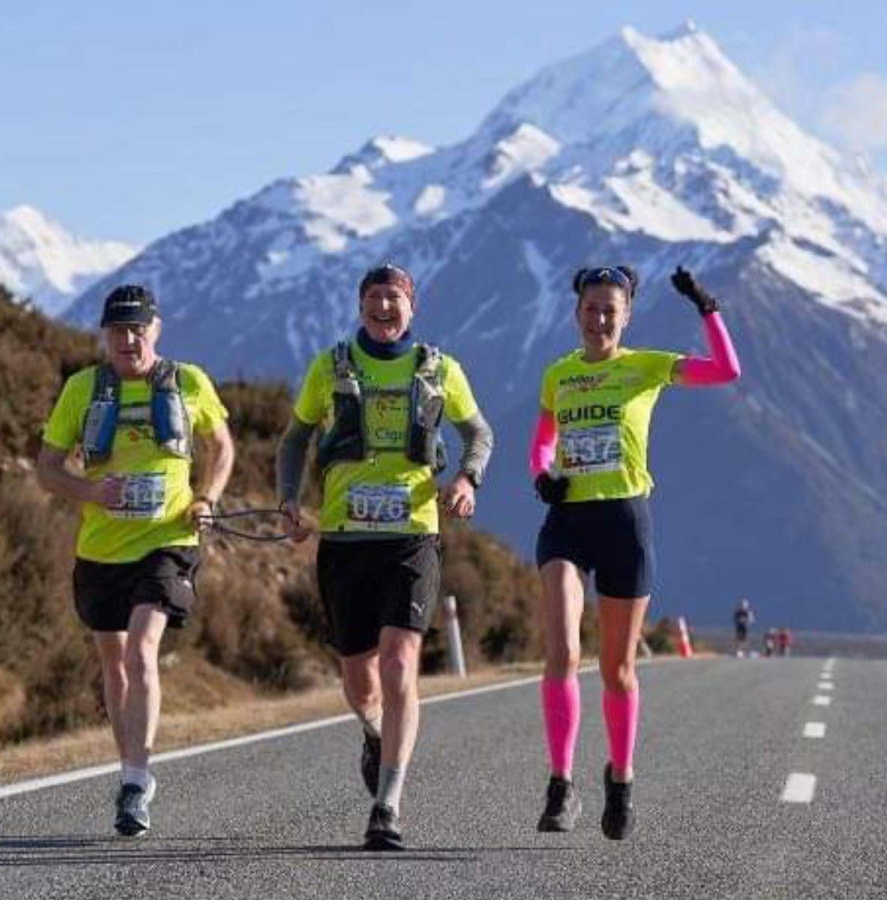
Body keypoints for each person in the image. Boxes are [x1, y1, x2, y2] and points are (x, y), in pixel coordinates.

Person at [276, 263, 493, 850]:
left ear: (411, 307)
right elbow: (295, 439)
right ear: (359, 305)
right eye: (374, 298)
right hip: (345, 540)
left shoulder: (441, 369)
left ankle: (387, 805)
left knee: (400, 666)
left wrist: (468, 480)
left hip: (411, 538)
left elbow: (480, 434)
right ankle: (374, 733)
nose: (384, 308)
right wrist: (288, 501)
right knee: (359, 682)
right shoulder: (329, 366)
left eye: (394, 298)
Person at [529, 265, 741, 840]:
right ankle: (560, 783)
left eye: (610, 310)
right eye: (590, 308)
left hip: (625, 521)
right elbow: (543, 439)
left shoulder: (645, 367)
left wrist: (707, 307)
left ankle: (620, 780)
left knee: (617, 669)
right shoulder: (559, 374)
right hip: (568, 521)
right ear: (576, 314)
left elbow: (726, 370)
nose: (599, 318)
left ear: (626, 317)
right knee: (563, 652)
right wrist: (542, 473)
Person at [37, 284, 234, 837]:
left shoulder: (189, 382)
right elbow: (46, 468)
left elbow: (222, 447)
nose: (129, 339)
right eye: (118, 330)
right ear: (104, 336)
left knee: (143, 650)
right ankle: (134, 773)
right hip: (101, 548)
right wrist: (91, 493)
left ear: (156, 329)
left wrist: (205, 499)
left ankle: (132, 782)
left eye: (138, 328)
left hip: (167, 542)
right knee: (114, 662)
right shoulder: (82, 390)